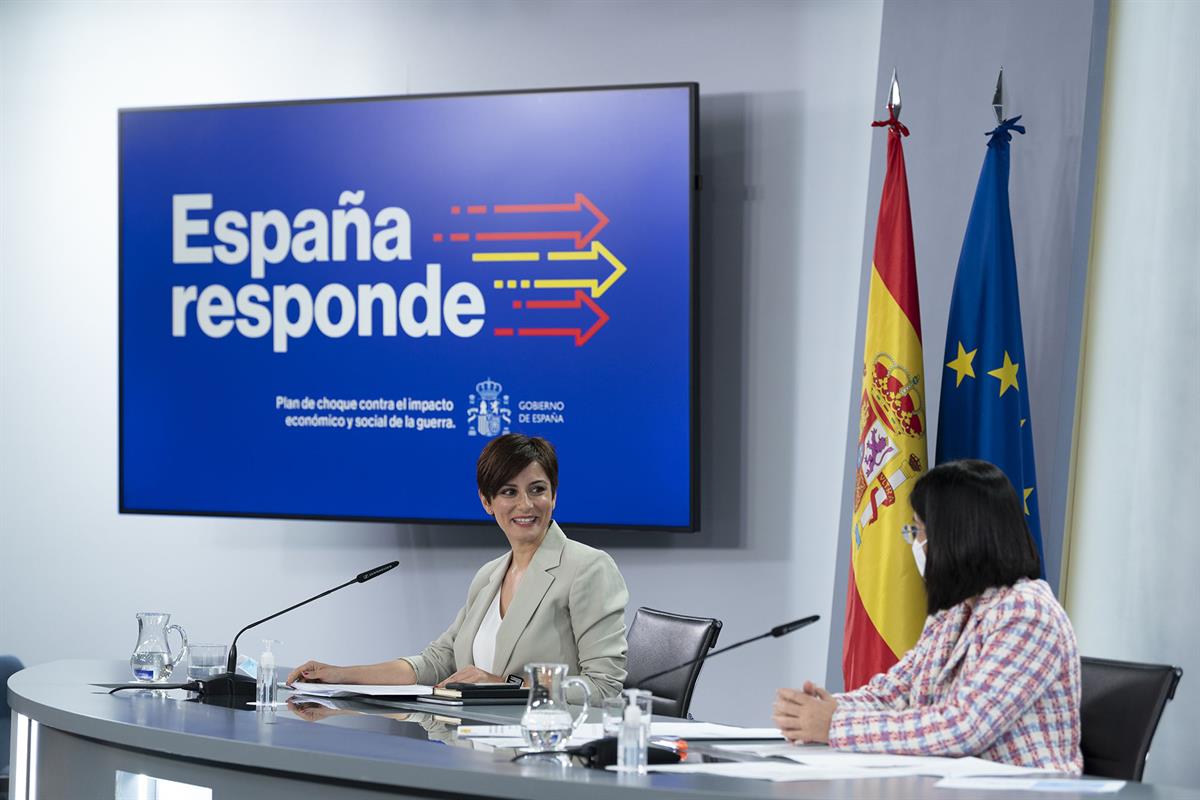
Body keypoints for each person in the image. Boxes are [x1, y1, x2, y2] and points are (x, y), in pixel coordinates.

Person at [773, 459, 1082, 774]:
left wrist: (834, 726)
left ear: (957, 537)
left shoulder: (1028, 613)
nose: (915, 543)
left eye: (918, 531)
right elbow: (893, 695)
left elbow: (964, 727)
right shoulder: (954, 612)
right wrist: (826, 709)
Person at [286, 434, 628, 701]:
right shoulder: (490, 576)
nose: (526, 504)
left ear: (553, 496)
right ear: (487, 502)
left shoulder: (588, 568)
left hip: (546, 752)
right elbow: (438, 662)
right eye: (509, 492)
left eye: (537, 490)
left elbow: (603, 688)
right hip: (478, 748)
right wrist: (341, 675)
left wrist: (504, 686)